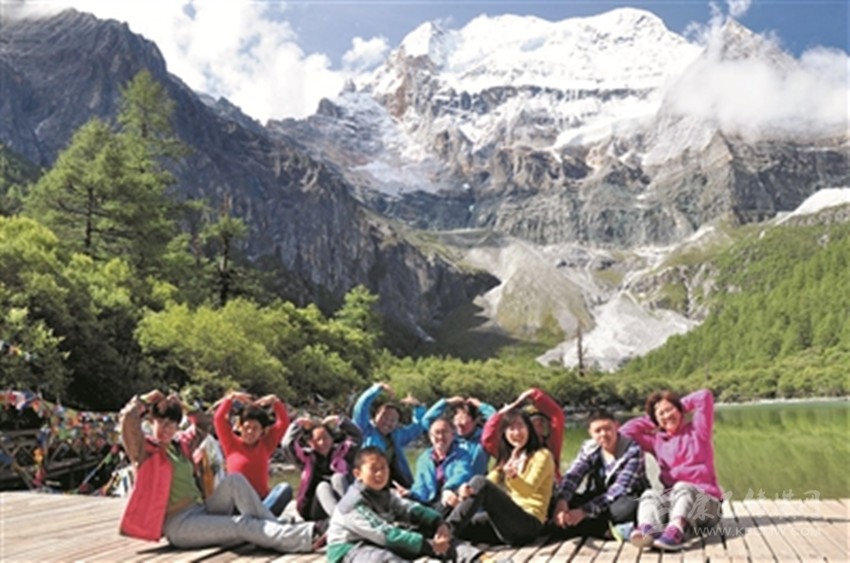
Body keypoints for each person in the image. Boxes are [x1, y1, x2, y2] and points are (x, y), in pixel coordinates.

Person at [118, 390, 320, 553]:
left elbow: (203, 423)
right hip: (179, 523)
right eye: (162, 423)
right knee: (242, 524)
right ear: (151, 422)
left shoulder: (181, 446)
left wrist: (183, 405)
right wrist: (144, 400)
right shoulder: (144, 451)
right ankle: (304, 537)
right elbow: (127, 419)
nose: (167, 429)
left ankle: (277, 528)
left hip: (202, 509)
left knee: (235, 480)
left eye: (172, 424)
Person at [326, 446, 482, 562]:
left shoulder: (386, 494)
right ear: (357, 474)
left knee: (435, 534)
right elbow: (386, 534)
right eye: (373, 469)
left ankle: (476, 558)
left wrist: (438, 522)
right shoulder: (353, 503)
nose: (380, 473)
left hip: (378, 542)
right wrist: (430, 546)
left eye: (383, 467)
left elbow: (410, 508)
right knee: (383, 559)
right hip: (350, 549)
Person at [621, 389, 723, 551]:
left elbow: (704, 396)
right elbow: (625, 432)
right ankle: (648, 531)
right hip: (675, 504)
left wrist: (676, 407)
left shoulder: (698, 431)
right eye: (661, 414)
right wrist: (653, 420)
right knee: (649, 494)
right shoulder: (656, 441)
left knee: (682, 486)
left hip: (706, 506)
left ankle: (676, 532)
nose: (667, 415)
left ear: (680, 410)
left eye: (670, 410)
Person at [446, 409, 555, 546]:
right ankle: (440, 534)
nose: (516, 433)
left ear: (529, 429)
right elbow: (486, 483)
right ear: (505, 434)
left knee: (480, 482)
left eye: (520, 427)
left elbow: (528, 490)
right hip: (506, 524)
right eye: (511, 428)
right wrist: (464, 489)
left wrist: (513, 477)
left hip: (529, 524)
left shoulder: (542, 455)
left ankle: (445, 534)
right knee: (463, 526)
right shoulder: (507, 460)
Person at [550, 409, 647, 540]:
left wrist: (584, 511)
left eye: (608, 429)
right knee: (555, 503)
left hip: (625, 498)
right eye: (598, 431)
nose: (603, 434)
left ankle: (581, 527)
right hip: (598, 498)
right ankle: (603, 530)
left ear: (616, 426)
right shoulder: (589, 448)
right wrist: (562, 501)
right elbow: (573, 476)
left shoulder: (633, 450)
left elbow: (620, 489)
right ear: (590, 432)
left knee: (623, 510)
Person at [213, 391, 293, 516]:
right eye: (246, 427)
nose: (250, 432)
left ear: (263, 431)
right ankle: (260, 517)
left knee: (285, 489)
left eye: (255, 428)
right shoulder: (231, 444)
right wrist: (230, 399)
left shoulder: (266, 444)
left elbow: (283, 423)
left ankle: (258, 515)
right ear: (240, 428)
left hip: (261, 501)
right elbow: (218, 419)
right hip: (238, 503)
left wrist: (275, 402)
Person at [282, 413, 361, 522]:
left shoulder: (343, 453)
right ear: (310, 443)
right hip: (313, 509)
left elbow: (357, 437)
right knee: (322, 486)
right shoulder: (306, 459)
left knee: (338, 477)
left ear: (332, 439)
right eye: (317, 439)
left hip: (341, 502)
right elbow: (286, 444)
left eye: (325, 438)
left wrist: (339, 420)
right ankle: (341, 520)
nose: (322, 442)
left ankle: (349, 514)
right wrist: (298, 423)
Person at [352, 382, 425, 489]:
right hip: (366, 480)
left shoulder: (397, 436)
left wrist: (418, 407)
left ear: (397, 424)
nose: (387, 422)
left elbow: (418, 427)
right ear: (375, 416)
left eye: (393, 420)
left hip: (388, 481)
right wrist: (377, 389)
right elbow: (361, 407)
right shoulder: (365, 430)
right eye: (384, 417)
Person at [482, 387, 565, 478]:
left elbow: (557, 415)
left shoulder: (550, 446)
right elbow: (488, 438)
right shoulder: (510, 450)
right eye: (533, 425)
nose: (538, 430)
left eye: (541, 424)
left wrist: (533, 394)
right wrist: (506, 411)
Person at [401, 417, 474, 517]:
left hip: (450, 498)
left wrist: (447, 488)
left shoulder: (462, 455)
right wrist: (410, 494)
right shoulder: (424, 458)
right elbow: (420, 486)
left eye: (445, 432)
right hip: (429, 501)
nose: (440, 436)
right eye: (436, 432)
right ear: (430, 437)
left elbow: (462, 473)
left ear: (452, 435)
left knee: (448, 501)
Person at [421, 395, 495, 475]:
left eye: (463, 419)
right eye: (456, 419)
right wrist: (446, 402)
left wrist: (480, 405)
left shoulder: (483, 437)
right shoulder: (450, 437)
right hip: (453, 480)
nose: (459, 424)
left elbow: (497, 421)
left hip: (477, 480)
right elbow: (426, 421)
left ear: (475, 420)